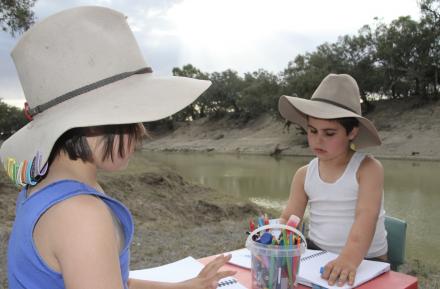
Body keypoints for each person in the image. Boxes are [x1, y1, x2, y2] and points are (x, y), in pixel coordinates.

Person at [0, 6, 235, 289]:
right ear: (95, 123)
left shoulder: (47, 186)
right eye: (132, 115)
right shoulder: (81, 213)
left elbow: (112, 280)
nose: (141, 132)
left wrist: (183, 287)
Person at [277, 74, 388, 287]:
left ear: (352, 132)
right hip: (316, 253)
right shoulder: (303, 174)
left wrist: (349, 259)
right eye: (312, 131)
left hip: (366, 259)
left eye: (329, 133)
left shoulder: (368, 169)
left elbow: (366, 218)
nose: (318, 140)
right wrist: (273, 235)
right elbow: (289, 219)